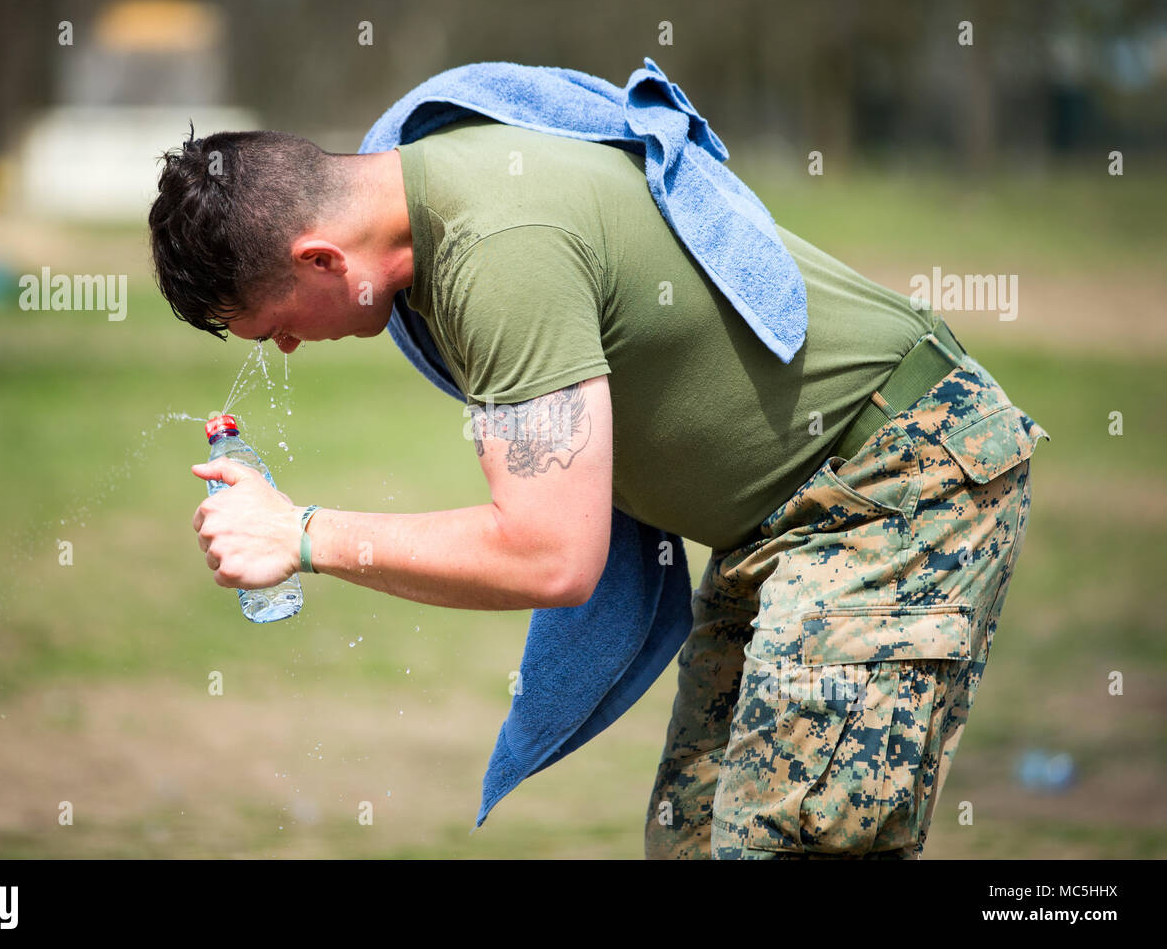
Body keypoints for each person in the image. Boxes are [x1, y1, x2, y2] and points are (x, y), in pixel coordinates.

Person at [148, 115, 1047, 858]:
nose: (287, 350)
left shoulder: (498, 252)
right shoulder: (427, 196)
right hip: (781, 520)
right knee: (693, 838)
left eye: (273, 328)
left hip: (898, 479)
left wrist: (302, 536)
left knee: (792, 839)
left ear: (319, 260)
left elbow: (549, 556)